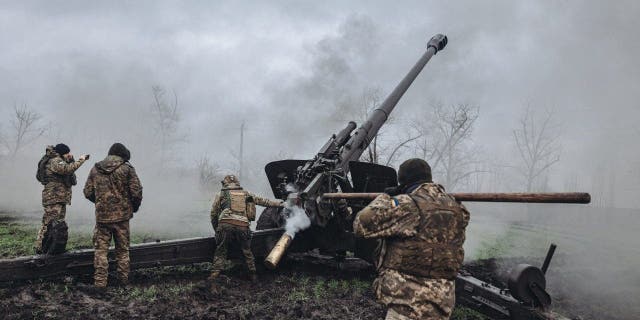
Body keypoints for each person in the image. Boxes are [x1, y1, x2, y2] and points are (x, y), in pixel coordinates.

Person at [353, 158, 470, 320]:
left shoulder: (408, 204)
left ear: (403, 182)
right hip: (442, 302)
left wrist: (385, 196)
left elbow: (361, 224)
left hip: (409, 303)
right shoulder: (458, 208)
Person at [83, 143, 142, 288]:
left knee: (101, 252)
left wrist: (100, 202)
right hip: (122, 218)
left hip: (102, 218)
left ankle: (100, 283)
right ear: (123, 155)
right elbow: (137, 192)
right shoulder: (127, 169)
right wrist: (133, 208)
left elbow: (87, 192)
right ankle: (123, 281)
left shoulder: (96, 169)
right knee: (122, 251)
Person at [209, 175, 282, 284]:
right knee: (247, 251)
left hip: (225, 225)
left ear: (225, 183)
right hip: (242, 225)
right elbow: (263, 201)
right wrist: (281, 204)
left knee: (221, 250)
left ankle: (214, 275)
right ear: (237, 184)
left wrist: (218, 230)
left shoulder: (220, 194)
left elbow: (213, 214)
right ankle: (253, 275)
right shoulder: (246, 193)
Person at [34, 143, 89, 254]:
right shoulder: (55, 160)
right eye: (67, 153)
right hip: (53, 197)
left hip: (59, 198)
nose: (69, 154)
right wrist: (80, 160)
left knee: (57, 224)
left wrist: (70, 161)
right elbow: (66, 169)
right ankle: (39, 247)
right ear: (63, 153)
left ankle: (51, 248)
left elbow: (71, 177)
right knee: (49, 222)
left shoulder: (59, 160)